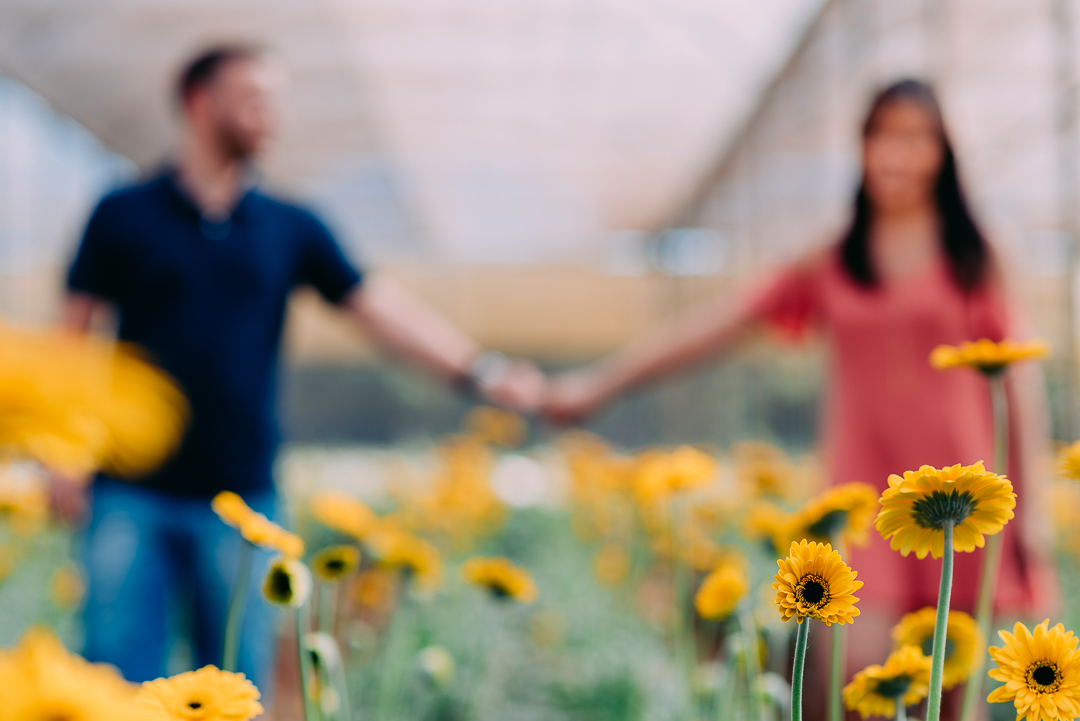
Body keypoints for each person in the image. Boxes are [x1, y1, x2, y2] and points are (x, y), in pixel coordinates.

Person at [544, 80, 1054, 717]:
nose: (895, 154)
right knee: (855, 681)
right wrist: (597, 385)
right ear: (861, 148)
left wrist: (1030, 509)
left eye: (914, 138)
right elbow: (722, 323)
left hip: (966, 495)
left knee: (954, 699)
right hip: (863, 503)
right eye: (881, 135)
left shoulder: (979, 254)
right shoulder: (834, 258)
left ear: (942, 153)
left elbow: (1019, 382)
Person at [61, 45, 544, 691]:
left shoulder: (289, 225)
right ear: (199, 102)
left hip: (243, 496)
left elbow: (378, 308)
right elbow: (74, 337)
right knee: (110, 686)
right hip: (128, 492)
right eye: (254, 101)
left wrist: (480, 371)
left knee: (234, 687)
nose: (273, 118)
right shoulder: (124, 213)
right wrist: (63, 454)